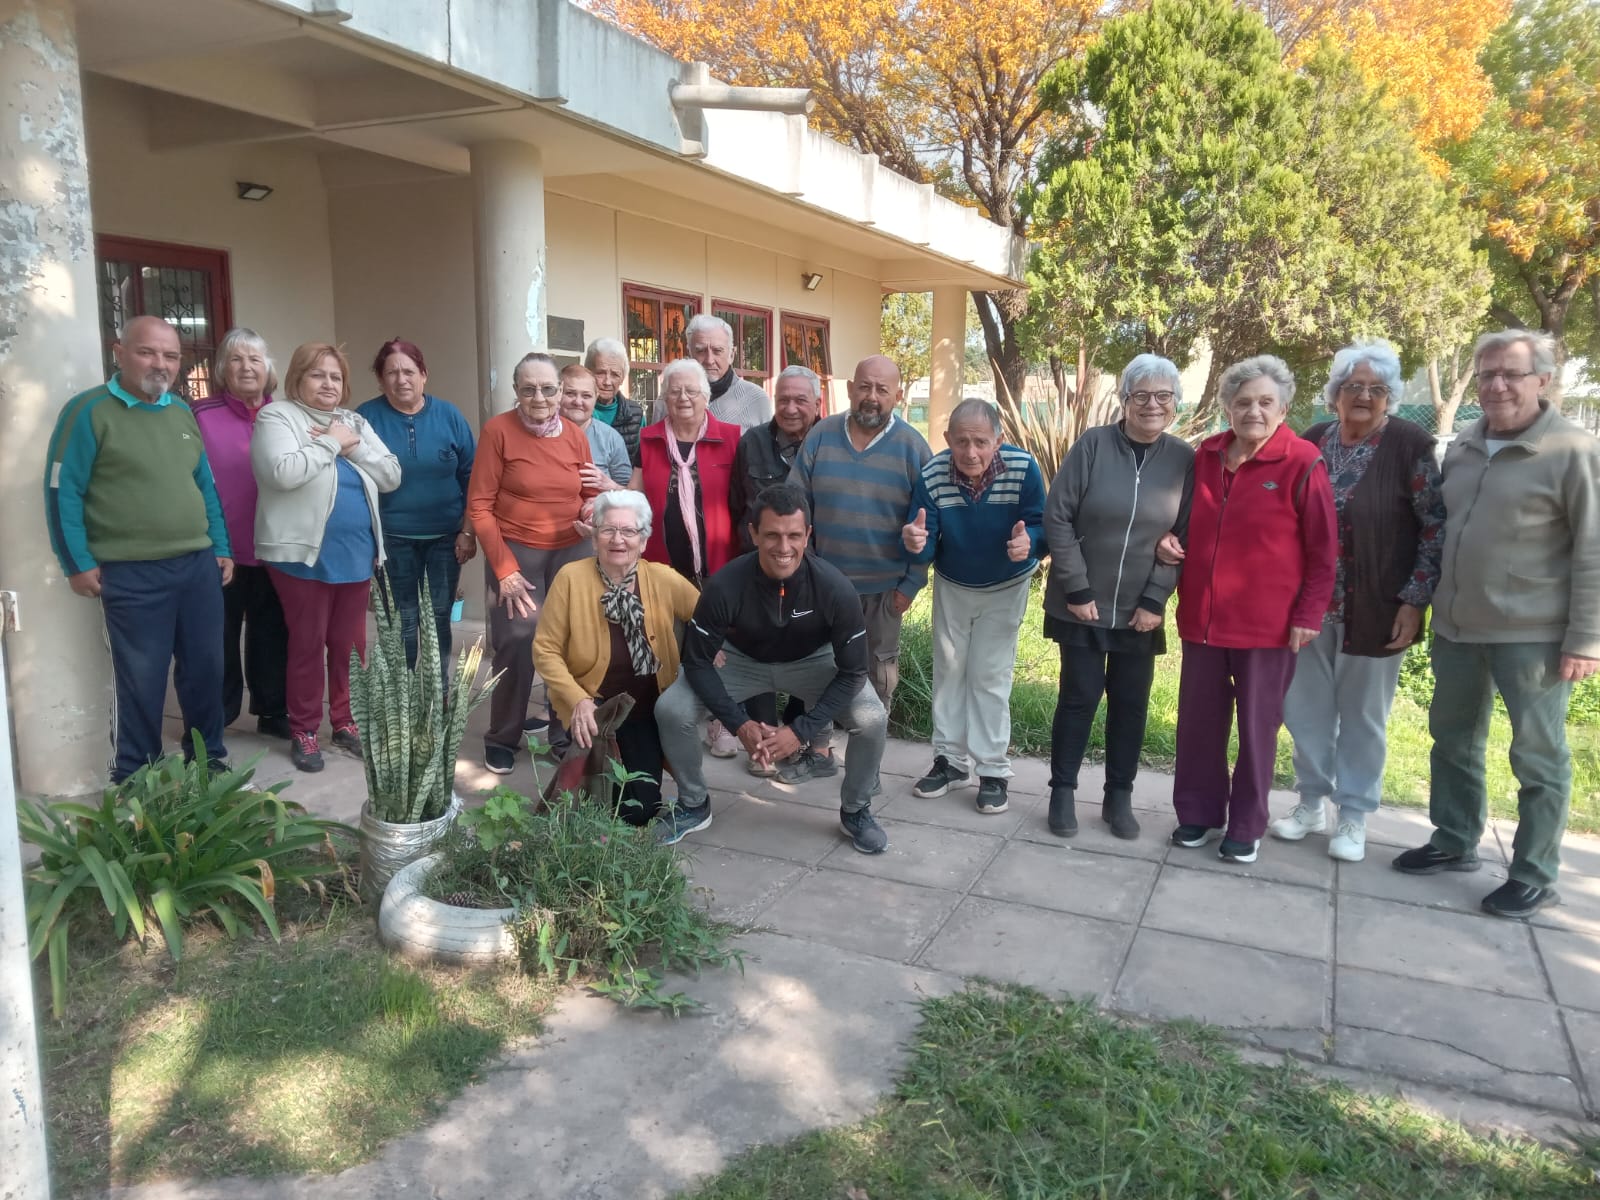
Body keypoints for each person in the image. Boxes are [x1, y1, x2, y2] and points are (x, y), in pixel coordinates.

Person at [1393, 329, 1600, 918]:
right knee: (1452, 739)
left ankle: (1534, 872)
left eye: (1512, 373)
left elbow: (1593, 549)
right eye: (1487, 374)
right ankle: (1455, 840)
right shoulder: (1464, 443)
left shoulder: (1573, 450)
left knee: (1537, 755)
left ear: (1543, 380)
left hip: (1533, 635)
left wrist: (1587, 638)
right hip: (1458, 627)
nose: (1497, 385)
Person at [1271, 341, 1444, 863]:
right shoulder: (1313, 440)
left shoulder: (1410, 445)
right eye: (1353, 386)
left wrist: (1414, 600)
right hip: (1309, 607)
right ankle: (1310, 803)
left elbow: (1434, 526)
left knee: (1364, 717)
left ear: (1390, 396)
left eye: (1376, 388)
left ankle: (1353, 814)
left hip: (1378, 608)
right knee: (1305, 710)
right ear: (1335, 394)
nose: (1364, 396)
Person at [653, 483, 891, 855]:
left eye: (794, 536)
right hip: (741, 661)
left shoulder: (834, 588)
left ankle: (857, 810)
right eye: (772, 535)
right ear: (753, 533)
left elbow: (853, 672)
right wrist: (740, 725)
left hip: (812, 662)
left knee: (872, 717)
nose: (784, 547)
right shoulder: (726, 584)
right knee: (671, 708)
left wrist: (800, 731)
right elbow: (697, 662)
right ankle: (693, 804)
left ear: (808, 534)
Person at [44, 316, 234, 781]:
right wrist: (76, 562)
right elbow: (62, 489)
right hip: (130, 573)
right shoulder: (88, 411)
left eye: (170, 356)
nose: (160, 364)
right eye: (148, 352)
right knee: (141, 681)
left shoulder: (181, 412)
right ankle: (136, 776)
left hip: (197, 565)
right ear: (120, 352)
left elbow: (204, 485)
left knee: (207, 669)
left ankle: (208, 763)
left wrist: (221, 545)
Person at [1168, 355, 1337, 864]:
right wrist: (1167, 541)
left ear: (1283, 409)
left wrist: (1309, 613)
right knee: (1198, 724)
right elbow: (1183, 519)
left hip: (1268, 627)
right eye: (1243, 402)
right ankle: (1198, 814)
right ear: (1227, 408)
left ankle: (1246, 824)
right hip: (1203, 620)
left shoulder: (1302, 461)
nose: (1254, 412)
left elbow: (1323, 550)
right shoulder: (1206, 456)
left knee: (1258, 729)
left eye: (1265, 402)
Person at [1041, 356, 1195, 840]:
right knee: (1079, 698)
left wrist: (1155, 600)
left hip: (1138, 611)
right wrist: (1077, 588)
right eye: (1140, 395)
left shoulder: (1184, 459)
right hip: (1080, 604)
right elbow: (1058, 516)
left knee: (1131, 704)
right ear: (1124, 400)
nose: (1152, 404)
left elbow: (1183, 537)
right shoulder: (1093, 445)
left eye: (1163, 396)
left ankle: (1118, 797)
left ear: (1175, 403)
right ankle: (1062, 792)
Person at [252, 342, 400, 773]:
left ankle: (346, 722)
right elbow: (281, 473)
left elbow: (391, 475)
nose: (328, 384)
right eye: (318, 375)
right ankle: (304, 729)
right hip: (303, 556)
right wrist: (333, 444)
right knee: (306, 643)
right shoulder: (277, 417)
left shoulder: (354, 422)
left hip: (356, 553)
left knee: (350, 646)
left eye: (336, 376)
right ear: (297, 378)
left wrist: (353, 448)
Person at [902, 399, 1046, 815]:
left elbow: (1042, 525)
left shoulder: (1023, 468)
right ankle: (950, 762)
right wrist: (914, 542)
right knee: (948, 671)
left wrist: (1030, 543)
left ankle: (993, 770)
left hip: (1007, 585)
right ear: (947, 439)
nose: (970, 452)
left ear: (998, 440)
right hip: (954, 583)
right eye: (961, 441)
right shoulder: (933, 474)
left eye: (981, 442)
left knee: (989, 675)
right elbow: (924, 537)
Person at [533, 490, 700, 826]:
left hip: (645, 711)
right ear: (594, 537)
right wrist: (578, 699)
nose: (617, 539)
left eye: (628, 531)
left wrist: (716, 652)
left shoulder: (662, 578)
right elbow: (545, 649)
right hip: (594, 709)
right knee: (581, 810)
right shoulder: (571, 578)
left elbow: (709, 616)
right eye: (608, 530)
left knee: (638, 811)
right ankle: (582, 761)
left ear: (644, 540)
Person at [468, 352, 601, 774]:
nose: (539, 397)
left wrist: (591, 513)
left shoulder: (574, 435)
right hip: (516, 552)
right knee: (517, 642)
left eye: (547, 388)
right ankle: (502, 737)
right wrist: (504, 570)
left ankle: (564, 735)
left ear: (560, 391)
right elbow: (480, 506)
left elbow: (587, 493)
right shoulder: (498, 431)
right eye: (529, 389)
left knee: (571, 640)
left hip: (571, 551)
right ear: (516, 391)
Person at [794, 354, 932, 707]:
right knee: (819, 674)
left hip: (884, 594)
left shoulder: (913, 448)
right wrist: (806, 570)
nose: (871, 396)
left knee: (877, 683)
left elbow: (929, 524)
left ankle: (870, 743)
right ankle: (819, 739)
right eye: (864, 387)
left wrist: (911, 584)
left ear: (897, 396)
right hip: (825, 587)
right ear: (850, 389)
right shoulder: (820, 436)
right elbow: (795, 506)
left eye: (882, 390)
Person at [639, 357, 743, 755]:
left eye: (692, 390)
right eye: (675, 390)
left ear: (707, 395)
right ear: (664, 397)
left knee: (720, 647)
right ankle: (672, 725)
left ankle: (722, 721)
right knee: (667, 646)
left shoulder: (732, 438)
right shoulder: (647, 440)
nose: (683, 397)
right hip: (663, 566)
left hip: (720, 564)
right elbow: (634, 498)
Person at [191, 327, 290, 740]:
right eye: (236, 359)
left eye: (254, 359)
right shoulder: (200, 415)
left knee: (272, 633)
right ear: (222, 369)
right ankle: (218, 715)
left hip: (274, 546)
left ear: (268, 369)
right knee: (218, 637)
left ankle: (272, 710)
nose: (246, 367)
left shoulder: (285, 415)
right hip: (221, 548)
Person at [732, 364, 829, 779]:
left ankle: (796, 735)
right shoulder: (752, 442)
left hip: (814, 573)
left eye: (800, 400)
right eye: (783, 399)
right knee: (760, 648)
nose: (790, 408)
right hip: (762, 569)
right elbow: (738, 506)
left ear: (817, 404)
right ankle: (764, 741)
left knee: (812, 650)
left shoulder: (831, 441)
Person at [357, 339, 477, 674]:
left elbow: (473, 477)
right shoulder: (366, 418)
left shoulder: (449, 415)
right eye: (391, 373)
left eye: (409, 371)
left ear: (424, 374)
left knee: (438, 618)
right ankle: (404, 692)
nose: (401, 379)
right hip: (391, 539)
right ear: (380, 379)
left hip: (446, 539)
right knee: (402, 621)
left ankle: (438, 692)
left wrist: (468, 532)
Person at [665, 313, 773, 431]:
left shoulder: (756, 399)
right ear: (689, 353)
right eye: (700, 351)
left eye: (717, 351)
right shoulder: (669, 399)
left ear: (732, 355)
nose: (709, 360)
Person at [560, 363, 637, 490]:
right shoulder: (543, 433)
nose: (578, 402)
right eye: (570, 393)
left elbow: (629, 492)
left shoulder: (611, 438)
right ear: (558, 394)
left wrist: (610, 486)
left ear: (596, 398)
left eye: (586, 396)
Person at [585, 337, 645, 467]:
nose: (607, 382)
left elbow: (642, 462)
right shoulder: (575, 409)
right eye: (600, 373)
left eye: (615, 375)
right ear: (588, 372)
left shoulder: (636, 413)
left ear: (622, 378)